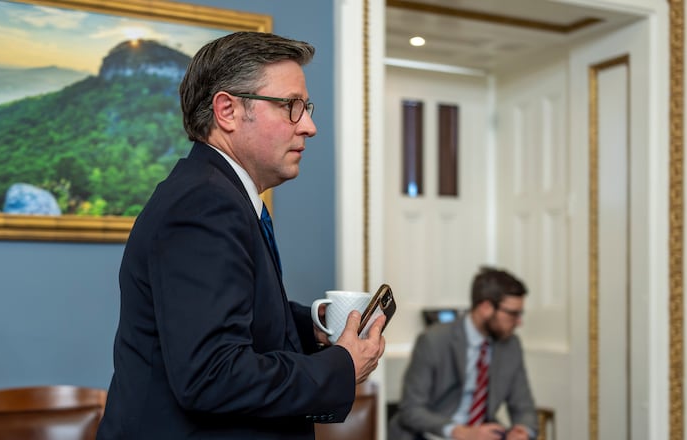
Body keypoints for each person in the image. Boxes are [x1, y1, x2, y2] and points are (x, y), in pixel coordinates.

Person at [96, 31, 386, 440]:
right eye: (291, 106)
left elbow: (234, 311)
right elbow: (212, 374)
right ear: (228, 110)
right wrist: (342, 366)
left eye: (306, 107)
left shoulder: (217, 193)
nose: (309, 126)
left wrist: (313, 325)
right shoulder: (204, 204)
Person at [388, 266, 537, 440]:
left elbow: (524, 408)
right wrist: (460, 432)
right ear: (486, 307)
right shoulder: (434, 339)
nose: (519, 322)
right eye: (513, 314)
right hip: (433, 434)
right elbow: (411, 409)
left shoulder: (510, 345)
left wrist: (522, 430)